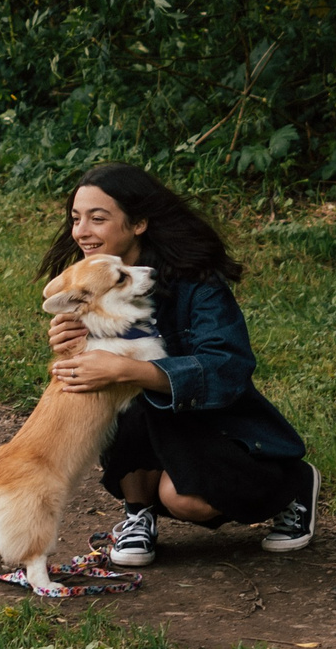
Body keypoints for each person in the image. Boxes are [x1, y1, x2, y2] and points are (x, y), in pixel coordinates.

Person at [40, 161, 319, 567]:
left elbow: (228, 367)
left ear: (138, 223)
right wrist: (67, 347)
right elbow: (77, 379)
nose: (81, 231)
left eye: (97, 218)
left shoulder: (196, 284)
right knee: (114, 398)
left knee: (187, 502)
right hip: (147, 425)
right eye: (76, 218)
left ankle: (291, 485)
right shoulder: (89, 280)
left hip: (214, 425)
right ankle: (138, 512)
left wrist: (127, 370)